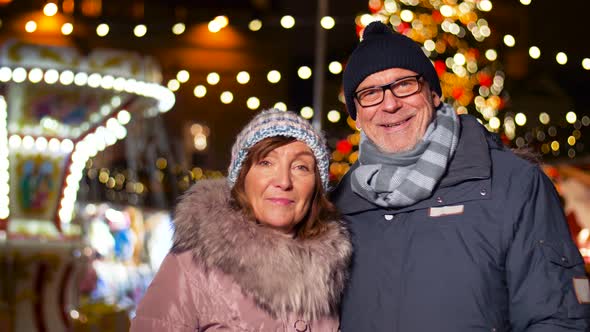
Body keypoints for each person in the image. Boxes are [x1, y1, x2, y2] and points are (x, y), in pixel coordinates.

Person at [332, 21, 590, 331]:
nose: (389, 104)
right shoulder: (339, 207)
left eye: (404, 84)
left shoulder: (511, 184)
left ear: (434, 94)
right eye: (370, 93)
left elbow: (557, 319)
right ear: (357, 115)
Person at [130, 109, 351, 331]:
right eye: (266, 162)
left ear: (316, 186)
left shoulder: (335, 273)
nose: (284, 181)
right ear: (242, 177)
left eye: (301, 167)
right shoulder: (193, 265)